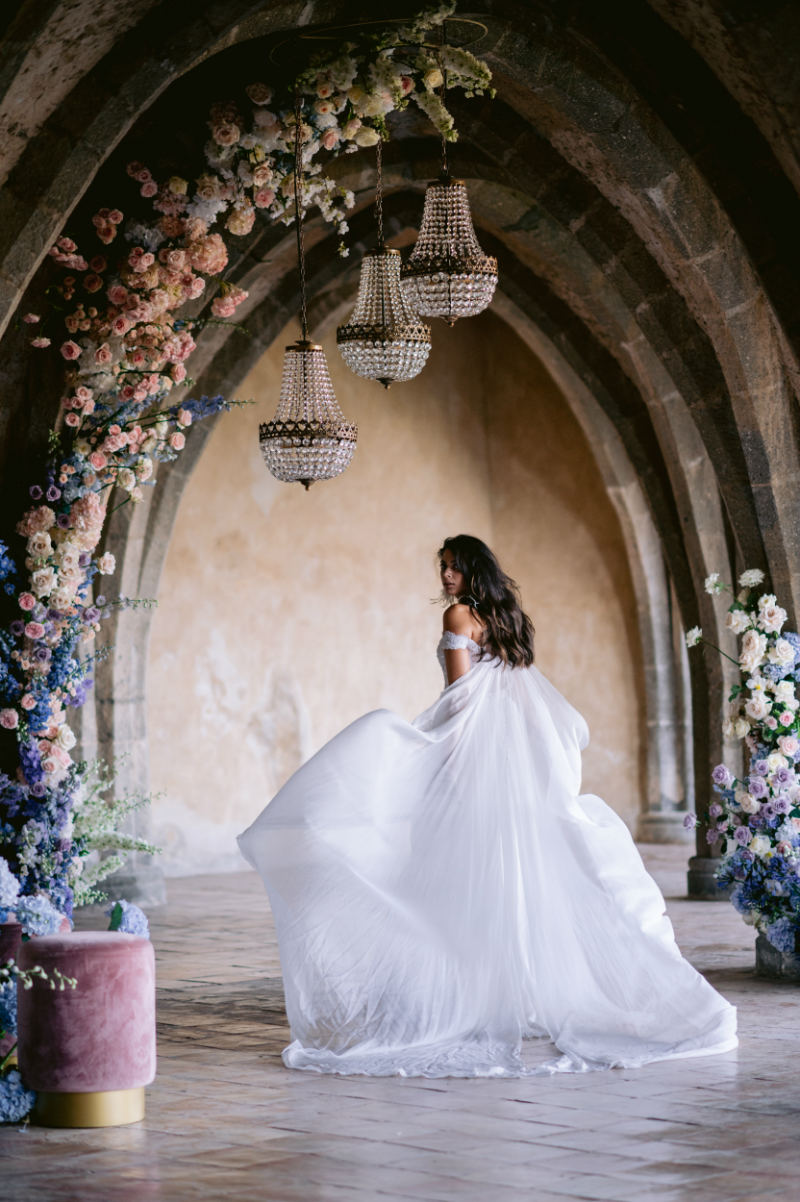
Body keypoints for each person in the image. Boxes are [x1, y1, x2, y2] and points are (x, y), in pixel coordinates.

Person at [238, 534, 737, 1077]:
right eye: (443, 568)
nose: (445, 577)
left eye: (452, 567)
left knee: (445, 867)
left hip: (464, 764)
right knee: (498, 875)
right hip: (504, 771)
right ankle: (504, 992)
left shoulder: (457, 618)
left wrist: (421, 746)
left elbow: (461, 702)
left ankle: (464, 997)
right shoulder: (507, 621)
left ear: (472, 570)